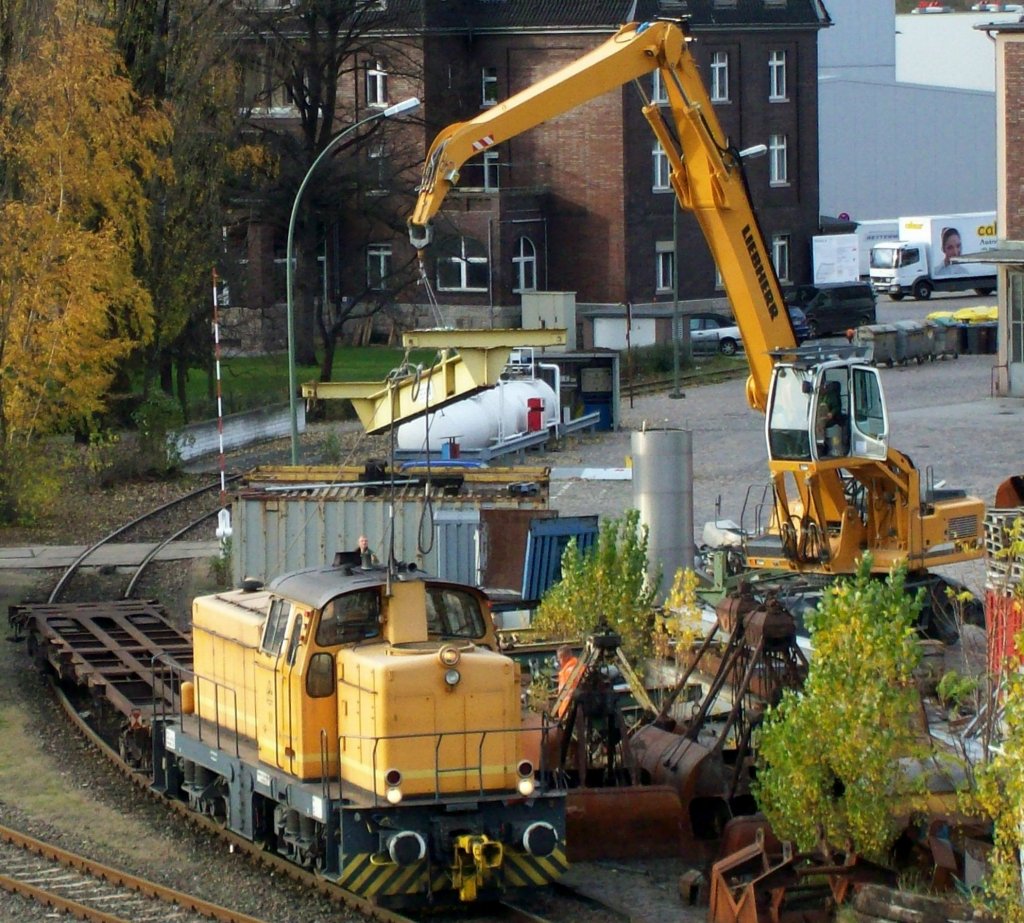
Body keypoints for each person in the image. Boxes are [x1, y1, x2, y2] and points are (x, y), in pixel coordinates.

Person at [555, 645, 579, 717]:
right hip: (569, 708)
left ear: (565, 657)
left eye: (559, 658)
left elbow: (571, 691)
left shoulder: (570, 670)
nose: (558, 661)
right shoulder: (573, 667)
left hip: (569, 709)